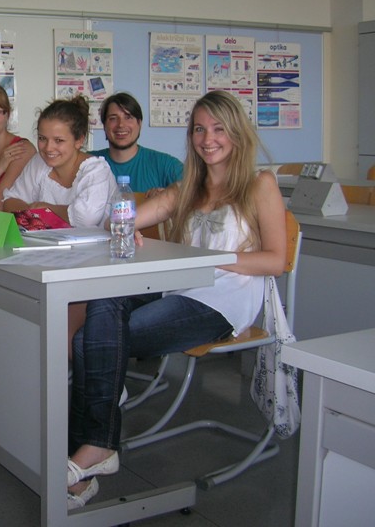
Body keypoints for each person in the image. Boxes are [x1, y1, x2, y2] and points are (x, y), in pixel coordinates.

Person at [66, 90, 286, 509]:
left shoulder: (260, 184)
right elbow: (124, 216)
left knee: (95, 342)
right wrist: (127, 225)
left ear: (237, 133)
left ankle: (91, 456)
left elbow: (275, 260)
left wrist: (212, 260)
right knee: (96, 315)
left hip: (223, 301)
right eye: (199, 129)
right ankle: (94, 453)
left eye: (218, 129)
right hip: (180, 287)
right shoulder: (189, 186)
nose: (208, 139)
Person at [2, 95, 117, 227]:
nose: (48, 148)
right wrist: (37, 212)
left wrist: (46, 209)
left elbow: (86, 218)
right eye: (42, 138)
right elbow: (10, 201)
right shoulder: (39, 161)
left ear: (79, 140)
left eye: (58, 140)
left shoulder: (96, 170)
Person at [90, 92, 183, 196]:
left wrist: (167, 196)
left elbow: (195, 191)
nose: (121, 124)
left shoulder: (165, 165)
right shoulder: (87, 162)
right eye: (113, 118)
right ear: (104, 125)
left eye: (128, 117)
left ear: (139, 124)